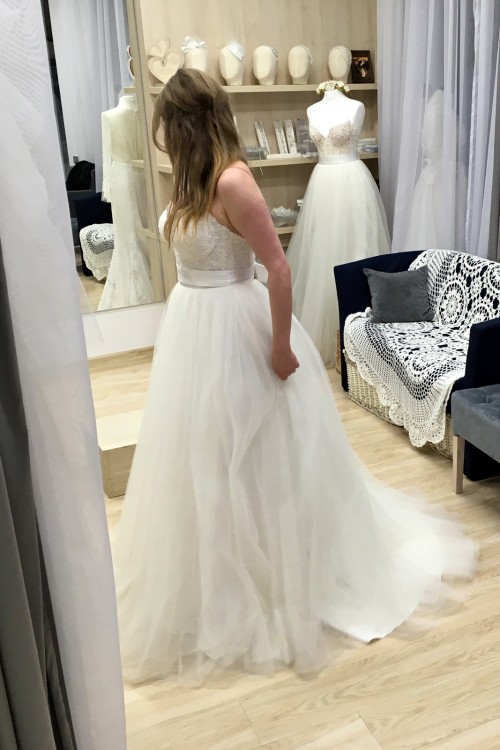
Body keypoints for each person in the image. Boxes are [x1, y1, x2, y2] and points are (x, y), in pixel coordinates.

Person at [112, 69, 475, 687]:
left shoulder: (232, 180)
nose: (163, 135)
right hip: (194, 329)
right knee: (207, 454)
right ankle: (216, 575)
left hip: (240, 327)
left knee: (260, 451)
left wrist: (280, 346)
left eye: (168, 124)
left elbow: (278, 269)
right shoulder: (192, 180)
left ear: (187, 123)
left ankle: (280, 572)